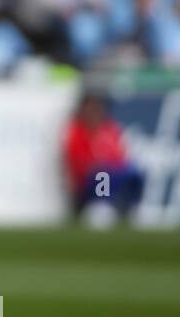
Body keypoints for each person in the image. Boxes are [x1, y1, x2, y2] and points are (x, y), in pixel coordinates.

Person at [62, 93, 144, 227]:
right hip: (88, 178)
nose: (94, 112)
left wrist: (112, 164)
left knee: (134, 173)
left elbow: (120, 154)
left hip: (112, 172)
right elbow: (77, 160)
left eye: (97, 108)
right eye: (91, 108)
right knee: (102, 174)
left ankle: (132, 207)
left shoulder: (109, 129)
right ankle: (101, 205)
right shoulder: (77, 131)